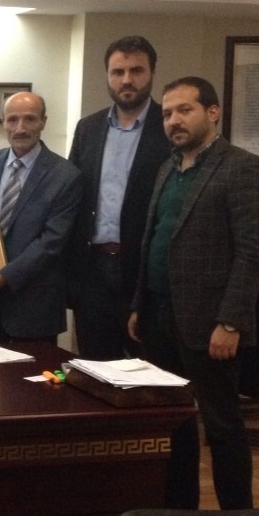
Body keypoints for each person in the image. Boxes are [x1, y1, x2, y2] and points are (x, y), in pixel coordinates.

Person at [128, 76, 259, 511]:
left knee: (222, 426)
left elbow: (252, 253)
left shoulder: (242, 167)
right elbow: (154, 240)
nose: (174, 120)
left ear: (213, 112)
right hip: (159, 316)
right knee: (173, 422)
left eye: (184, 110)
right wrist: (139, 305)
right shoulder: (168, 167)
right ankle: (180, 512)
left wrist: (231, 321)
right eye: (167, 113)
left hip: (210, 323)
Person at [68, 35, 170, 360]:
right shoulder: (88, 128)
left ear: (152, 73)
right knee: (95, 370)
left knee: (150, 373)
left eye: (136, 70)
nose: (127, 80)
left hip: (144, 273)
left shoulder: (169, 127)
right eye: (118, 72)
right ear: (108, 75)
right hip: (93, 271)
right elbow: (73, 199)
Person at [0, 92, 82, 344]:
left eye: (29, 119)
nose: (20, 128)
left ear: (43, 122)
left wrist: (2, 278)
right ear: (3, 122)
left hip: (33, 308)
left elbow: (50, 243)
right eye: (12, 119)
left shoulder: (66, 176)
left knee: (32, 371)